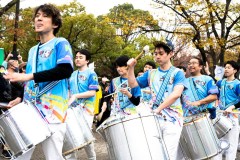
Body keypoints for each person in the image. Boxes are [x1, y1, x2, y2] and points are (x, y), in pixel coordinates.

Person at [4, 4, 73, 160]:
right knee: (20, 155)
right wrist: (20, 97)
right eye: (37, 16)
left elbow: (65, 70)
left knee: (53, 157)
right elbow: (30, 80)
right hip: (31, 110)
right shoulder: (32, 50)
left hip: (54, 112)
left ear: (55, 24)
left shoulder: (60, 43)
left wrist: (28, 76)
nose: (39, 18)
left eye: (45, 16)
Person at [127, 40, 185, 160]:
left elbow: (176, 94)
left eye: (161, 53)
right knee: (153, 154)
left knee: (168, 155)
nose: (157, 56)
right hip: (153, 118)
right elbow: (133, 85)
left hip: (173, 120)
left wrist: (159, 108)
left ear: (171, 54)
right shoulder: (150, 73)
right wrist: (130, 69)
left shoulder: (177, 73)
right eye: (155, 53)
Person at [67, 49, 98, 160]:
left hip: (86, 109)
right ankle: (71, 158)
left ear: (87, 60)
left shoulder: (91, 73)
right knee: (72, 134)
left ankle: (91, 157)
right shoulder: (72, 74)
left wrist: (76, 96)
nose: (77, 59)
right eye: (76, 57)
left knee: (85, 134)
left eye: (81, 57)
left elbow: (92, 92)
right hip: (73, 109)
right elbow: (69, 91)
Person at [0, 57, 24, 159]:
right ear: (11, 65)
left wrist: (19, 98)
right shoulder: (2, 73)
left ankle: (7, 149)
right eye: (16, 63)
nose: (18, 66)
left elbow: (21, 88)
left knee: (8, 128)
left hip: (8, 105)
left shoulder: (14, 77)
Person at [216, 60, 240, 160]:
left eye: (229, 67)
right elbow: (215, 95)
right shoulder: (220, 82)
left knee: (231, 143)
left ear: (235, 70)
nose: (226, 69)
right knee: (218, 142)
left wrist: (232, 107)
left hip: (233, 116)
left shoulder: (238, 84)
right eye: (225, 67)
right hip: (220, 115)